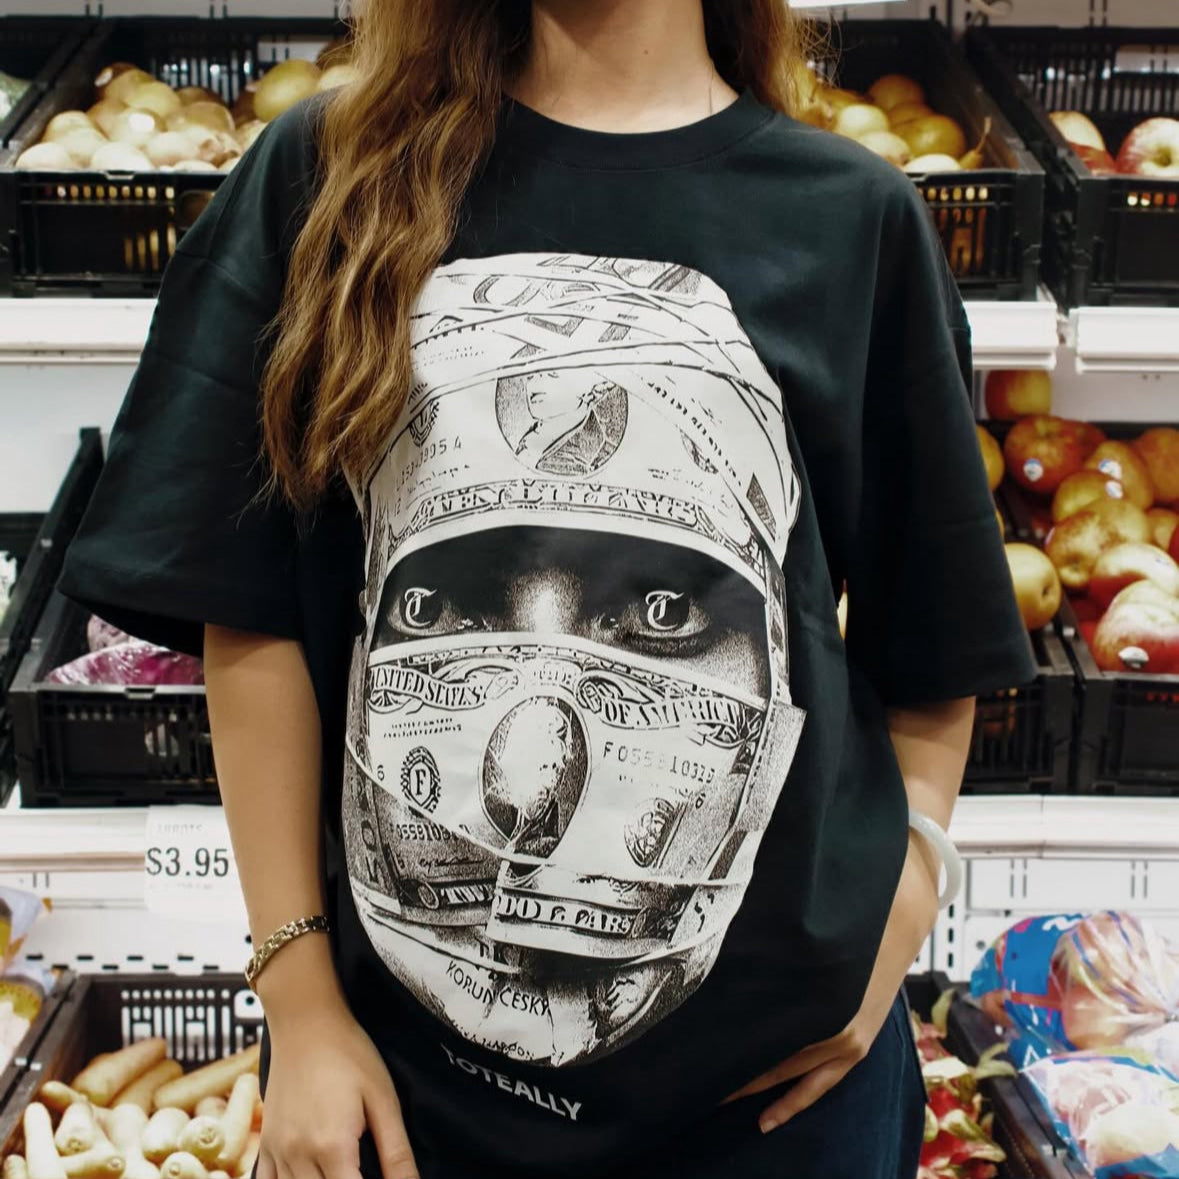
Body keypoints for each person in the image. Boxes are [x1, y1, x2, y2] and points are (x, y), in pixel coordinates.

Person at [57, 2, 1037, 1177]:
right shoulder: (324, 178)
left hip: (778, 1102)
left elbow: (934, 646)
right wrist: (300, 1001)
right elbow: (249, 614)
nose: (534, 777)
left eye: (666, 617)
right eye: (438, 607)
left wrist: (902, 909)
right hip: (400, 1102)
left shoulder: (852, 217)